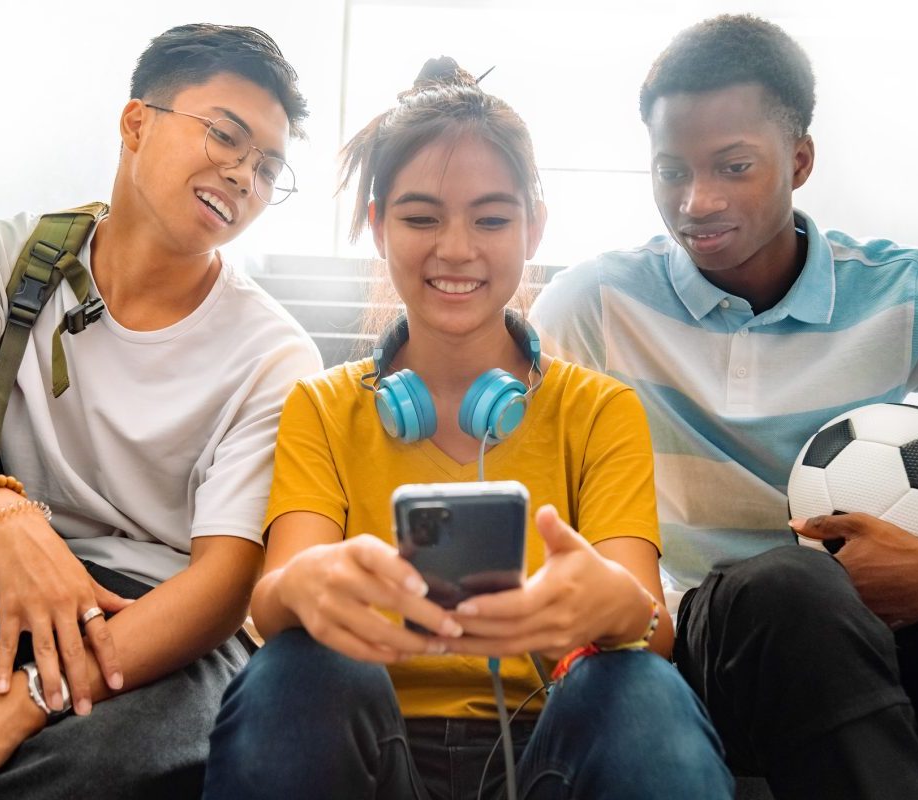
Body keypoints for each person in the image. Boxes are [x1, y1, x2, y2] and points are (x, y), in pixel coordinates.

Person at [202, 57, 733, 800]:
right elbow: (271, 601)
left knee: (639, 685)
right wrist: (304, 587)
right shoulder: (321, 406)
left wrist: (610, 604)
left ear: (533, 227)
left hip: (548, 741)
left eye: (491, 219)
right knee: (293, 670)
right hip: (370, 740)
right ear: (378, 226)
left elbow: (653, 627)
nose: (456, 249)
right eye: (421, 218)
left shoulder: (600, 409)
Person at [530, 13, 918, 799]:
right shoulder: (590, 308)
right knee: (791, 587)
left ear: (799, 160)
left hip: (876, 641)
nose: (696, 202)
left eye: (733, 167)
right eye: (670, 171)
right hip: (684, 642)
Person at [0, 23, 321, 800]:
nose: (244, 174)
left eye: (269, 165)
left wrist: (20, 705)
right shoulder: (13, 259)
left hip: (152, 625)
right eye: (225, 135)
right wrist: (2, 516)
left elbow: (223, 584)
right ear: (136, 122)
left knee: (146, 749)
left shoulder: (275, 355)